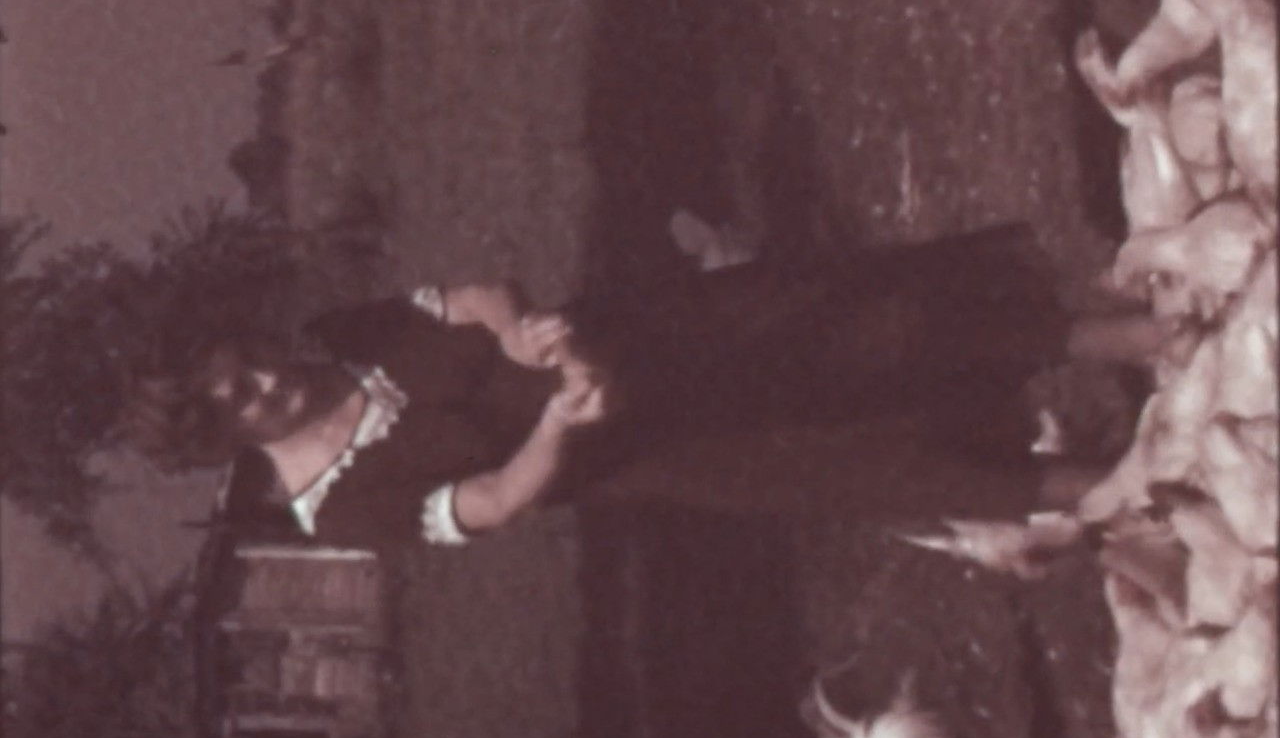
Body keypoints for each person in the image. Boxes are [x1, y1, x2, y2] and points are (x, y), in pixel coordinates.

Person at [122, 231, 1183, 551]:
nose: (270, 376)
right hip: (638, 449)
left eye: (248, 357)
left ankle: (1136, 337)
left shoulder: (338, 339)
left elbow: (472, 297)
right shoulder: (336, 506)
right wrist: (556, 418)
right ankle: (1150, 488)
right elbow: (491, 501)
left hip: (643, 339)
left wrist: (521, 331)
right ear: (226, 439)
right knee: (882, 465)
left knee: (858, 331)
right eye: (244, 396)